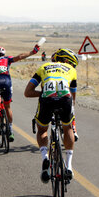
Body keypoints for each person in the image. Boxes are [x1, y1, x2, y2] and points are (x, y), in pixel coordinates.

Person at [24, 48, 78, 183]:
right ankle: (69, 166)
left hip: (47, 100)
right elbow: (73, 97)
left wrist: (42, 93)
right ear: (66, 61)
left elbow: (27, 92)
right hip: (65, 99)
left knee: (42, 130)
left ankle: (45, 158)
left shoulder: (44, 67)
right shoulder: (71, 70)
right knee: (68, 129)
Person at [0, 44, 40, 142]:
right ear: (3, 53)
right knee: (7, 106)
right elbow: (20, 57)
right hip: (6, 82)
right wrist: (32, 52)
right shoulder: (6, 59)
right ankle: (11, 129)